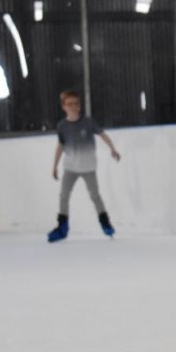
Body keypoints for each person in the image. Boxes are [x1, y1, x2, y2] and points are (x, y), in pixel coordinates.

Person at [48, 89, 121, 242]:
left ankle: (106, 224)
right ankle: (62, 228)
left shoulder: (88, 122)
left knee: (95, 196)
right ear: (64, 107)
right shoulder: (62, 126)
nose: (73, 107)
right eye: (69, 104)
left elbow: (102, 134)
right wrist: (55, 165)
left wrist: (112, 148)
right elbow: (60, 145)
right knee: (63, 196)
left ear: (79, 106)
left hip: (88, 167)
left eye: (75, 104)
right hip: (70, 168)